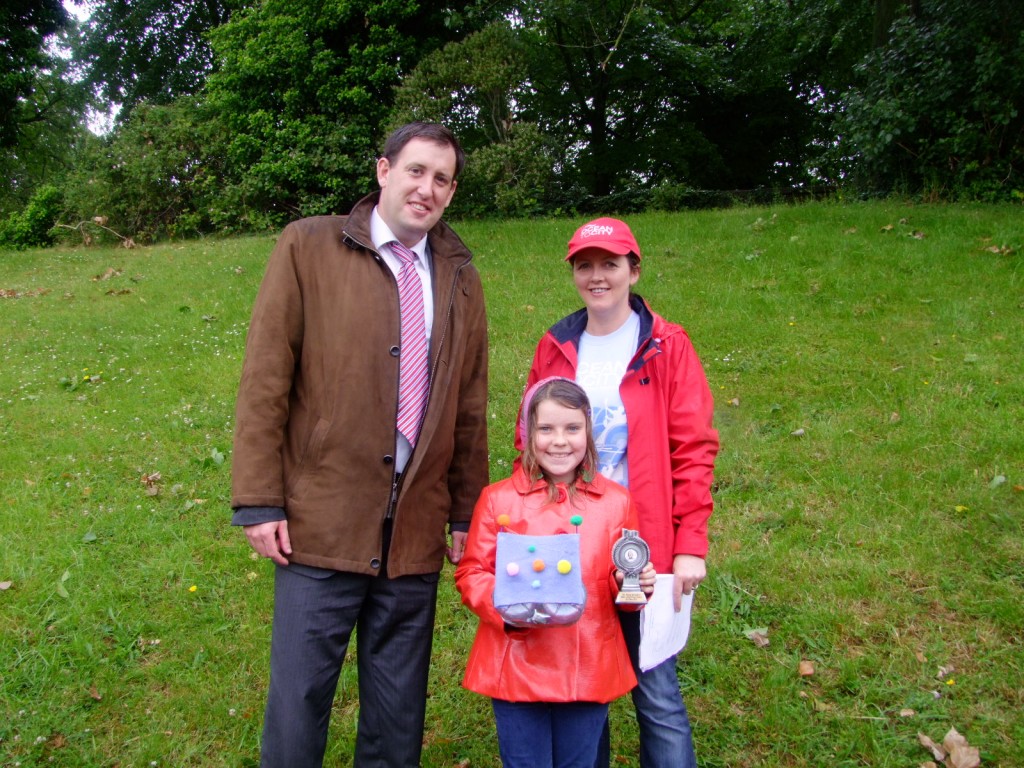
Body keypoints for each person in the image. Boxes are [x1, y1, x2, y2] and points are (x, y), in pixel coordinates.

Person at [230, 122, 489, 768]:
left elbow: (470, 403)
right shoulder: (307, 247)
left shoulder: (459, 275)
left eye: (441, 179)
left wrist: (465, 512)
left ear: (452, 193)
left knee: (397, 719)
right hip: (320, 524)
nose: (426, 188)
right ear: (383, 171)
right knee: (297, 711)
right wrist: (259, 500)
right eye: (415, 171)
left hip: (414, 537)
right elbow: (266, 379)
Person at [518, 218, 719, 768]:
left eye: (610, 263)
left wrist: (689, 545)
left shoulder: (666, 345)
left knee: (655, 692)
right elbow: (529, 443)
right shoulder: (556, 345)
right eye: (585, 265)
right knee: (588, 691)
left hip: (644, 546)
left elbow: (694, 449)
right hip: (574, 546)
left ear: (634, 269)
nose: (597, 276)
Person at [456, 377, 656, 768]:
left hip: (589, 665)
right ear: (528, 433)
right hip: (516, 663)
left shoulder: (616, 503)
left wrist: (632, 586)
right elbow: (472, 572)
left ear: (589, 432)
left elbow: (624, 589)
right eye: (546, 429)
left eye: (572, 428)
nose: (559, 441)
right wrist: (510, 611)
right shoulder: (497, 499)